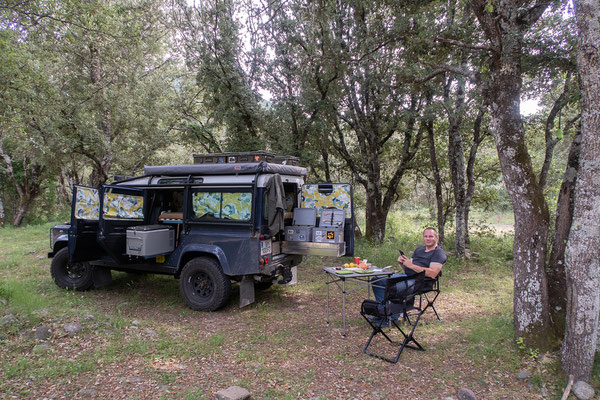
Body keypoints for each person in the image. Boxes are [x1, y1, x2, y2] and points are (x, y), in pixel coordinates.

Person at [370, 227, 446, 326]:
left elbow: (433, 274)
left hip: (421, 282)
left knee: (393, 286)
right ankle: (382, 314)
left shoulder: (438, 253)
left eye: (430, 236)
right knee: (377, 280)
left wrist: (411, 265)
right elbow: (408, 270)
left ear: (436, 238)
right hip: (407, 276)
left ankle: (391, 318)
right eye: (425, 236)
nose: (428, 238)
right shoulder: (419, 250)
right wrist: (403, 263)